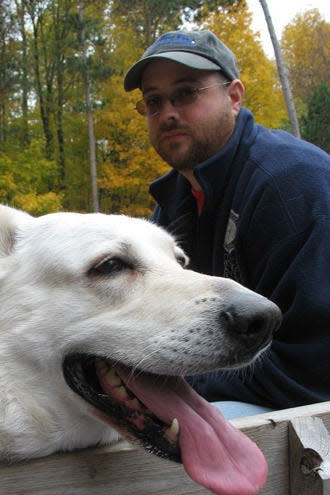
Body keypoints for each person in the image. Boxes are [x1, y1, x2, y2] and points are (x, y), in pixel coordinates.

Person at [123, 30, 330, 416]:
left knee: (173, 445)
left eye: (186, 93)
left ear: (234, 97)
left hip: (309, 409)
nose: (168, 112)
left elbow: (314, 367)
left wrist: (169, 376)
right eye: (153, 101)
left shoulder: (290, 184)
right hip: (245, 381)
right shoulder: (176, 204)